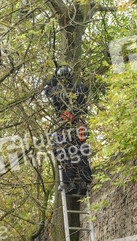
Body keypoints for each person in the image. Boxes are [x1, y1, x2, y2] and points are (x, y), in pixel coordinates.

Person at [44, 65, 92, 196]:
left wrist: (53, 79)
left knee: (64, 152)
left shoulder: (56, 91)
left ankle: (71, 182)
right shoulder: (81, 88)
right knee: (81, 151)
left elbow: (47, 91)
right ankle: (84, 181)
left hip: (64, 126)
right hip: (80, 126)